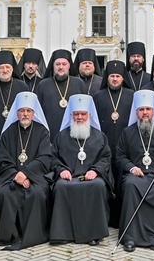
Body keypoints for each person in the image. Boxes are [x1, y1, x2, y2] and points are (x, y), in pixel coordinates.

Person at [116, 90, 154, 251]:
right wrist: (132, 167)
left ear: (153, 112)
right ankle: (130, 237)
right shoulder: (127, 132)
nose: (145, 113)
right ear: (136, 112)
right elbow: (120, 156)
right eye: (141, 109)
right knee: (130, 185)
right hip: (135, 175)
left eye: (148, 109)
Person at [0, 91, 53, 250]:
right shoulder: (8, 132)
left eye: (29, 111)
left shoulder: (42, 132)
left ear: (34, 113)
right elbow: (3, 158)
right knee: (4, 193)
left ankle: (33, 234)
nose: (25, 114)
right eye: (22, 110)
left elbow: (45, 157)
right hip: (11, 176)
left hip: (35, 177)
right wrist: (16, 175)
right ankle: (8, 235)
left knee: (37, 193)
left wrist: (26, 174)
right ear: (16, 112)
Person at [48, 94, 111, 245]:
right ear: (71, 115)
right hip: (68, 177)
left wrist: (95, 171)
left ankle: (93, 235)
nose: (80, 117)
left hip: (92, 177)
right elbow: (53, 158)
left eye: (83, 114)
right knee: (60, 186)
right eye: (76, 114)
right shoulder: (61, 136)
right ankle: (63, 234)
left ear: (89, 115)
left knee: (98, 185)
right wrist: (61, 170)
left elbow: (106, 158)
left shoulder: (100, 136)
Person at [0, 50, 30, 128]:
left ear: (12, 68)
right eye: (1, 68)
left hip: (17, 129)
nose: (5, 70)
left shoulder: (22, 86)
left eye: (8, 67)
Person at [95, 60, 135, 147]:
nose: (115, 79)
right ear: (107, 78)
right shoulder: (98, 96)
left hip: (127, 140)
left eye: (118, 76)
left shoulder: (132, 95)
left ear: (123, 78)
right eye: (112, 76)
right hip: (104, 140)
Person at [35, 50, 80, 126]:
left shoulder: (79, 83)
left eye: (64, 64)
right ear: (53, 66)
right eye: (57, 64)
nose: (61, 67)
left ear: (69, 66)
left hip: (73, 128)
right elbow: (37, 111)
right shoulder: (43, 85)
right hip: (50, 128)